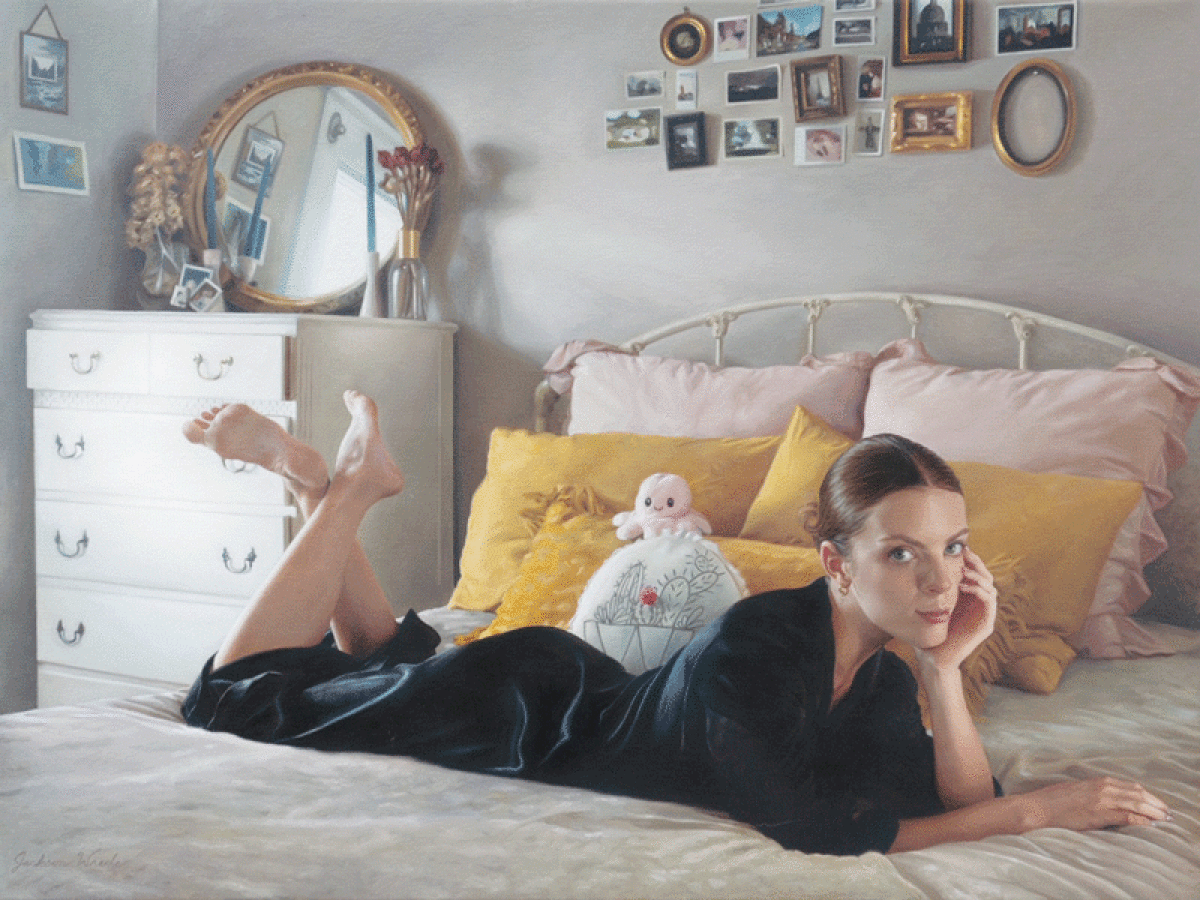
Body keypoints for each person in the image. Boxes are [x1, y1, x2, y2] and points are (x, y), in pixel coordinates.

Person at [181, 394, 1172, 855]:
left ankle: (316, 487)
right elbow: (815, 828)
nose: (940, 580)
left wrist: (946, 673)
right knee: (228, 701)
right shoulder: (759, 644)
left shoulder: (875, 672)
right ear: (836, 564)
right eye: (902, 553)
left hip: (568, 690)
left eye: (953, 548)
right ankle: (352, 491)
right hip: (523, 717)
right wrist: (1040, 811)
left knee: (375, 665)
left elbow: (949, 796)